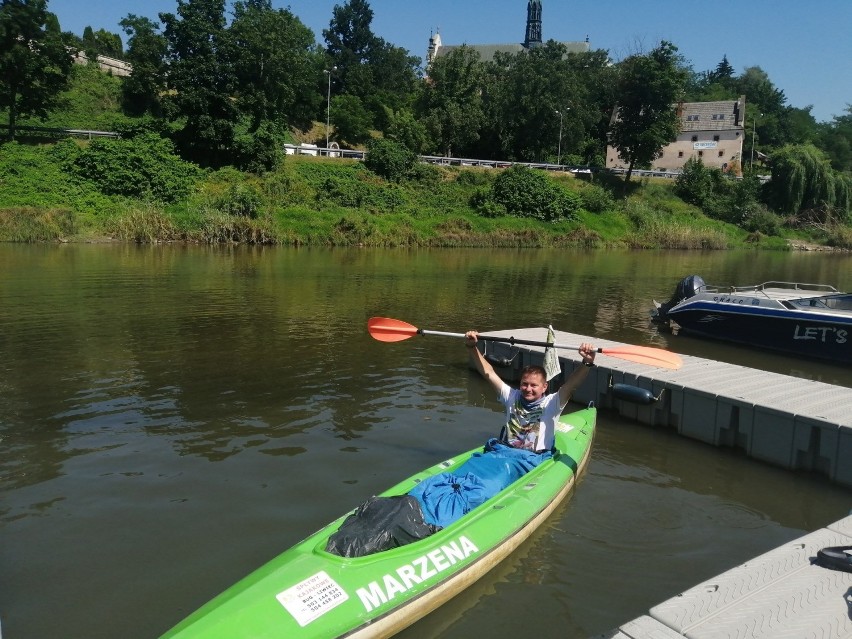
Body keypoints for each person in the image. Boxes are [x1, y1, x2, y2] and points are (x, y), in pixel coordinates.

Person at [464, 330, 597, 453]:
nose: (528, 389)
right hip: (505, 452)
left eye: (534, 385)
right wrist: (472, 347)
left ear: (544, 387)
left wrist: (586, 363)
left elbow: (572, 384)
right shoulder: (511, 396)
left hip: (534, 459)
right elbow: (489, 373)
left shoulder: (552, 403)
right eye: (524, 384)